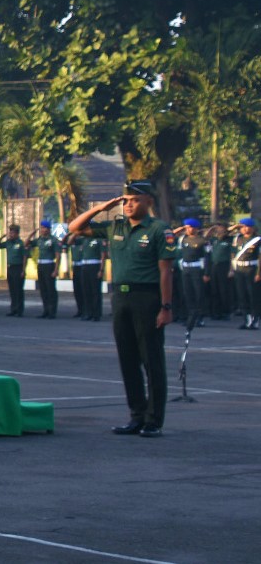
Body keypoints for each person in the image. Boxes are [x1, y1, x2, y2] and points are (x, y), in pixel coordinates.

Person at [68, 181, 176, 438]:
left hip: (147, 298)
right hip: (120, 297)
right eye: (125, 200)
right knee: (128, 360)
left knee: (152, 360)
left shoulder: (160, 230)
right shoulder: (115, 226)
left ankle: (153, 420)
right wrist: (103, 207)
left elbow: (166, 272)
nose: (128, 204)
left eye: (134, 200)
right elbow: (74, 227)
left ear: (149, 201)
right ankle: (136, 416)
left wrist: (166, 307)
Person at [68, 221, 106, 322]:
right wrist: (77, 232)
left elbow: (103, 256)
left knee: (95, 291)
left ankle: (96, 314)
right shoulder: (84, 239)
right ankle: (88, 313)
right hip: (84, 266)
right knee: (86, 291)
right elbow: (70, 242)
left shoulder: (99, 239)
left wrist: (101, 270)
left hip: (95, 266)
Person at [174, 218, 208, 329]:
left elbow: (207, 257)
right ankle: (190, 317)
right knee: (188, 293)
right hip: (186, 269)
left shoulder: (202, 240)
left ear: (196, 228)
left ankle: (200, 317)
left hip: (197, 269)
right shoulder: (182, 239)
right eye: (187, 227)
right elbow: (178, 253)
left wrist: (206, 273)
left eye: (190, 227)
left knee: (198, 293)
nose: (188, 229)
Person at [28, 220, 62, 319]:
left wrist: (56, 270)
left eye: (45, 228)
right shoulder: (39, 239)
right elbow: (27, 243)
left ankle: (52, 312)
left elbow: (58, 255)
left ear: (49, 229)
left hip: (49, 265)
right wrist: (32, 234)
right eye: (42, 228)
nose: (43, 230)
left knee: (50, 289)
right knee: (43, 289)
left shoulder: (54, 240)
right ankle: (46, 310)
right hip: (41, 265)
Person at [234, 218, 261, 329]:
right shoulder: (237, 239)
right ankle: (247, 320)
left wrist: (258, 273)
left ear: (252, 227)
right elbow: (233, 254)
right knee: (242, 295)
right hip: (239, 269)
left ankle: (255, 320)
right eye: (242, 227)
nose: (244, 229)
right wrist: (232, 269)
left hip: (251, 269)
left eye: (246, 226)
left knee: (253, 295)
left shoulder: (257, 240)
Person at [0, 223, 28, 317]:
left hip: (18, 268)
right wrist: (2, 237)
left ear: (17, 234)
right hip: (10, 268)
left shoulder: (20, 243)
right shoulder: (8, 242)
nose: (11, 234)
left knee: (18, 290)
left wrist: (23, 270)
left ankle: (19, 310)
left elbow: (25, 257)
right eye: (10, 232)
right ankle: (13, 309)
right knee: (12, 290)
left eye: (12, 233)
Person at [206, 223, 233, 322]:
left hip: (224, 266)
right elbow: (206, 237)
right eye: (218, 230)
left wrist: (231, 269)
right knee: (214, 290)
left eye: (222, 229)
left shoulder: (229, 240)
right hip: (214, 266)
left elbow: (232, 256)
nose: (220, 231)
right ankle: (216, 312)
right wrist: (212, 228)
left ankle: (225, 312)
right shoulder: (214, 240)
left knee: (224, 290)